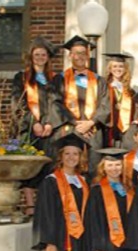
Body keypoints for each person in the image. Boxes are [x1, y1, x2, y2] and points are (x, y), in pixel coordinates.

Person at [50, 35, 110, 176]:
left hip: (92, 131)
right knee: (68, 167)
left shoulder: (99, 80)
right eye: (76, 53)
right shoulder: (59, 79)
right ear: (70, 55)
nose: (80, 57)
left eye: (83, 53)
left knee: (93, 169)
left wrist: (91, 122)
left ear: (88, 55)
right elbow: (56, 103)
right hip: (69, 129)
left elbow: (105, 105)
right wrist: (75, 123)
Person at [12, 36, 58, 215]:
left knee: (48, 165)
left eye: (43, 54)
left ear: (48, 57)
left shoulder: (54, 79)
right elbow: (18, 103)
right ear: (31, 57)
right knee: (28, 166)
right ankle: (30, 205)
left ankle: (44, 203)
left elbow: (57, 102)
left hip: (49, 129)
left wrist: (50, 123)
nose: (40, 57)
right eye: (37, 54)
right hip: (29, 128)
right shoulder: (21, 78)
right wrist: (33, 123)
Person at [103, 52, 135, 148]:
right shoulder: (104, 87)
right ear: (110, 69)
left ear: (125, 69)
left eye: (121, 66)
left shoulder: (129, 91)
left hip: (125, 130)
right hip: (108, 127)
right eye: (115, 66)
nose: (118, 69)